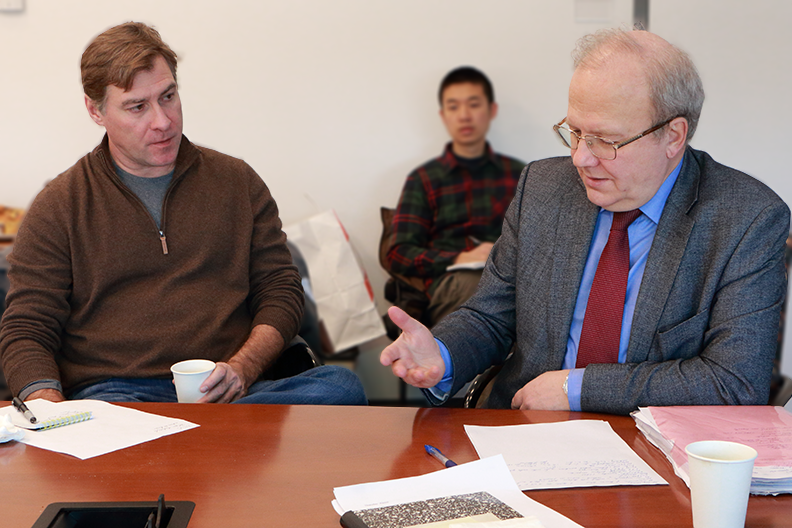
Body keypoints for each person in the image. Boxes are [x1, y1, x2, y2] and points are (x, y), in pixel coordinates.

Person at [381, 28, 790, 415]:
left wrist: (575, 388)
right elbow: (491, 317)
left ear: (673, 136)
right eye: (574, 132)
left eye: (605, 141)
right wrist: (442, 354)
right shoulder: (543, 188)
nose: (580, 158)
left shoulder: (747, 219)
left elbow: (734, 382)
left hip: (656, 444)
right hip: (524, 427)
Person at [0, 22, 366, 405]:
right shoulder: (59, 205)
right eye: (138, 107)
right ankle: (202, 438)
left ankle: (197, 437)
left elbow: (280, 289)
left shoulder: (237, 181)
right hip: (120, 396)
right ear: (96, 110)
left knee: (341, 387)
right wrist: (51, 412)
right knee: (117, 420)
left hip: (233, 389)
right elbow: (27, 328)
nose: (162, 121)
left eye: (168, 97)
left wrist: (244, 367)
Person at [385, 67, 524, 325]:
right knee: (478, 287)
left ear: (492, 110)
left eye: (474, 104)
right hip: (453, 281)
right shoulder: (423, 179)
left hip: (511, 278)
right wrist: (460, 258)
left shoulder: (520, 175)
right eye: (453, 107)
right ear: (443, 115)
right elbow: (398, 254)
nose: (464, 115)